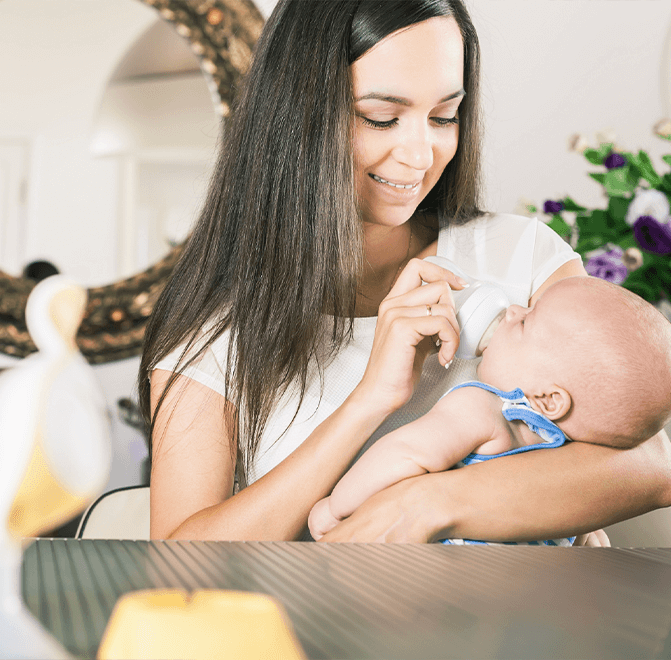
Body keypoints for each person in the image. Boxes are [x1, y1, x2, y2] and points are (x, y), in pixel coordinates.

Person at [137, 0, 671, 544]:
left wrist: (428, 502)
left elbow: (651, 461)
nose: (421, 155)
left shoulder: (521, 255)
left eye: (444, 116)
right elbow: (182, 556)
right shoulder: (218, 327)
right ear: (295, 117)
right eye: (381, 117)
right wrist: (372, 397)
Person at [308, 276, 671, 543]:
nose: (513, 309)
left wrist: (337, 507)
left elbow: (406, 452)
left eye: (526, 321)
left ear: (548, 400)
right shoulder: (568, 464)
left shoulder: (484, 408)